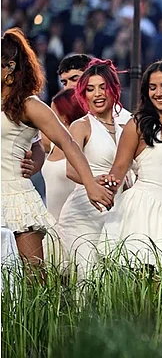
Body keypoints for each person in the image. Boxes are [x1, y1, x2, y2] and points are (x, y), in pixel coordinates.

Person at [1, 28, 112, 270]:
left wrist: (90, 183)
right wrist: (36, 159)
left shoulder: (29, 105)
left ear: (9, 68)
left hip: (14, 197)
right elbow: (36, 148)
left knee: (34, 281)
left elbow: (67, 142)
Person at [103, 60, 162, 269]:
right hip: (146, 212)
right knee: (146, 283)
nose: (158, 93)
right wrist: (102, 189)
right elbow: (118, 170)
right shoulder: (138, 125)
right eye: (152, 87)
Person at [58, 59, 128, 275]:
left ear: (114, 89)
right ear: (83, 94)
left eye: (102, 87)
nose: (97, 94)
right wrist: (93, 182)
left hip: (118, 212)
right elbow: (70, 169)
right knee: (86, 281)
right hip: (83, 213)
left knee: (113, 285)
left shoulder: (127, 123)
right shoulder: (81, 126)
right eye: (90, 89)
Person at [40, 89, 86, 224]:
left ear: (64, 118)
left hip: (78, 222)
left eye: (53, 114)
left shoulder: (85, 143)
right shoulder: (52, 144)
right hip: (52, 223)